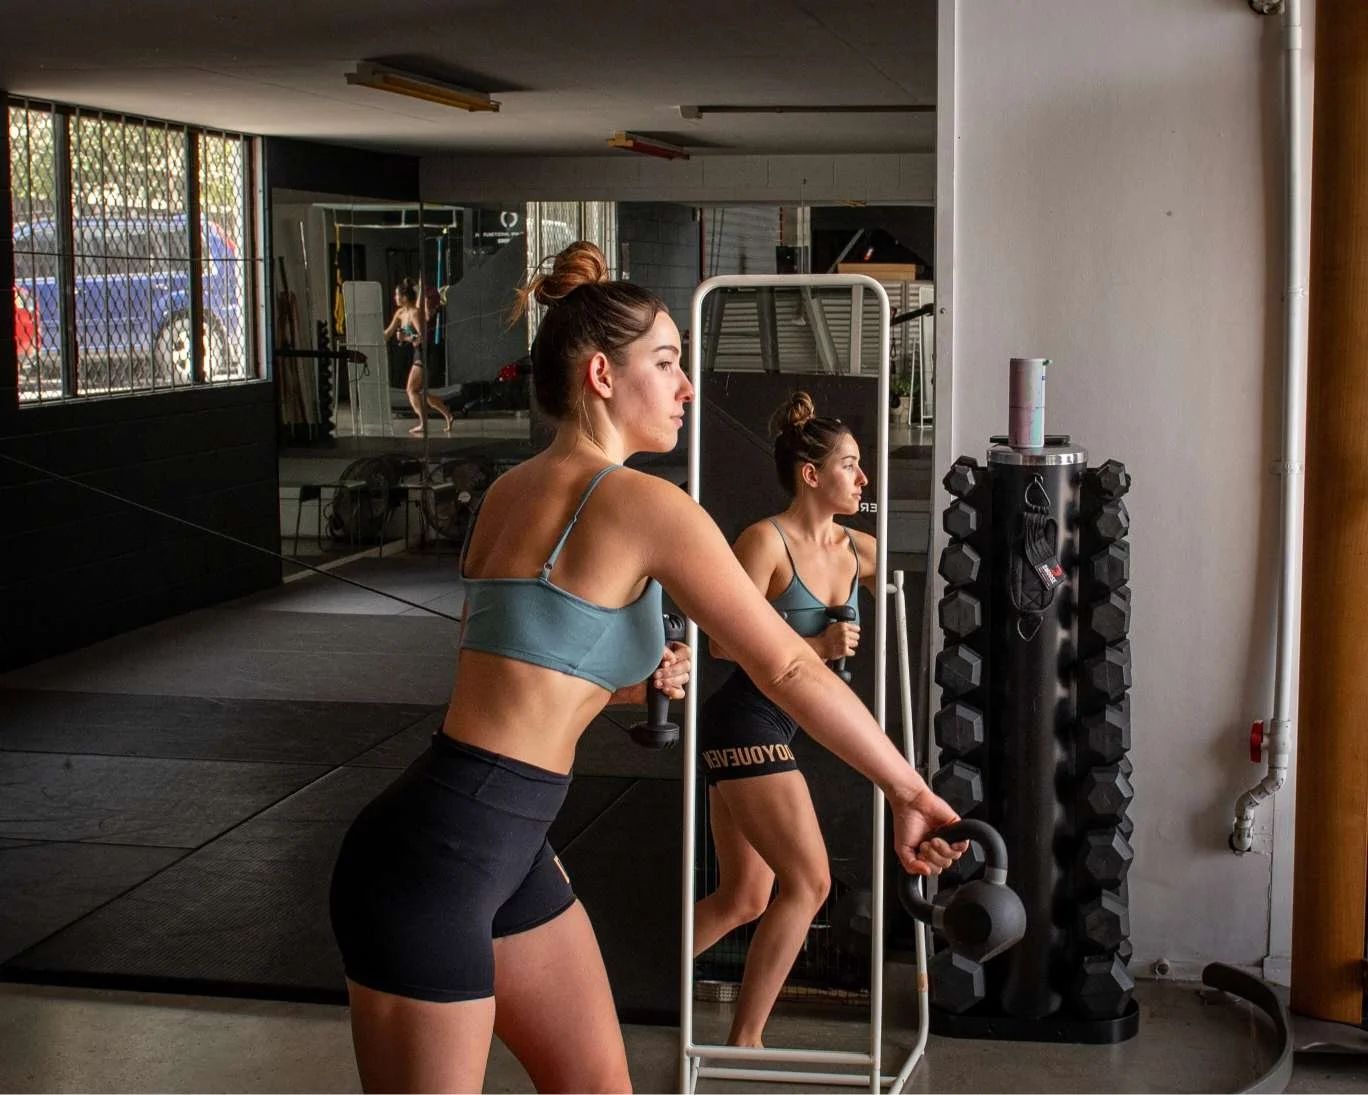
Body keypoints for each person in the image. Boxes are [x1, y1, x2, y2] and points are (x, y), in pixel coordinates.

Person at [329, 242, 964, 1094]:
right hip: (441, 856)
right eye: (667, 363)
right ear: (601, 374)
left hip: (501, 842)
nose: (687, 387)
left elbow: (525, 674)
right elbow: (787, 668)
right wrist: (909, 788)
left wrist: (632, 679)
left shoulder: (509, 491)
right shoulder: (645, 502)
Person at [693, 391, 889, 1047]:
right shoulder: (764, 541)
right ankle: (745, 1040)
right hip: (744, 722)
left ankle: (593, 988)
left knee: (745, 897)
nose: (862, 479)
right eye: (850, 466)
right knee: (809, 882)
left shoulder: (858, 550)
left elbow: (905, 566)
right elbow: (724, 642)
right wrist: (817, 648)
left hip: (779, 729)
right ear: (811, 475)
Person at [384, 277, 453, 435]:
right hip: (417, 353)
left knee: (411, 390)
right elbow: (387, 333)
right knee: (422, 392)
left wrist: (405, 338)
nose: (395, 298)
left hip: (424, 353)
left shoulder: (415, 313)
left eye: (397, 295)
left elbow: (422, 337)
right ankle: (447, 413)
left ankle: (423, 424)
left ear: (405, 297)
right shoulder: (400, 313)